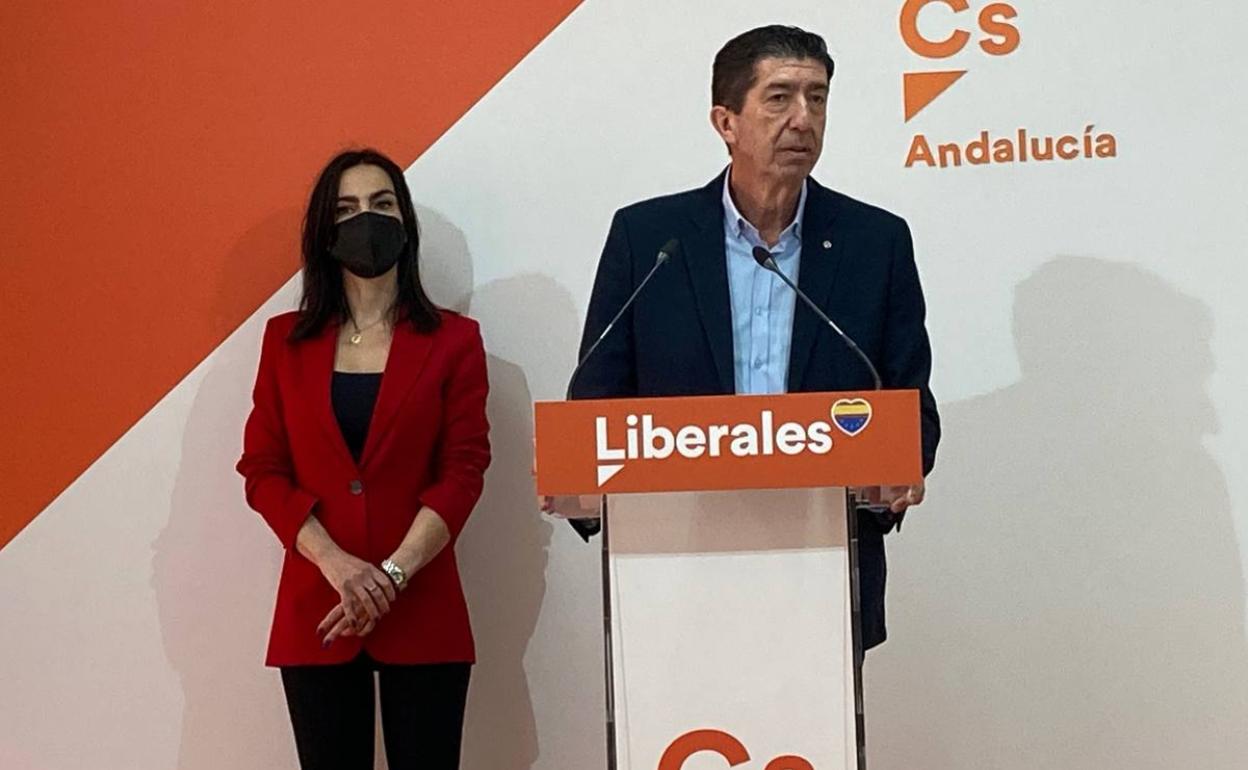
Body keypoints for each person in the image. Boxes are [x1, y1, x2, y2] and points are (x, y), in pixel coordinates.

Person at [566, 25, 940, 650]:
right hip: (674, 573)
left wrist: (898, 473)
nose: (803, 119)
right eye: (779, 98)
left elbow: (911, 404)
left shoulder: (875, 242)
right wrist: (581, 481)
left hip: (824, 572)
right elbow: (596, 401)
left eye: (817, 98)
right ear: (726, 121)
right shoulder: (650, 238)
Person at [236, 148, 490, 769]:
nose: (366, 220)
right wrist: (336, 563)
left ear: (405, 220)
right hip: (318, 608)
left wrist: (392, 575)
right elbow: (262, 470)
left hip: (423, 606)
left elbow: (463, 471)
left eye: (381, 204)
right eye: (346, 210)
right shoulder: (283, 341)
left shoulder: (455, 341)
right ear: (325, 233)